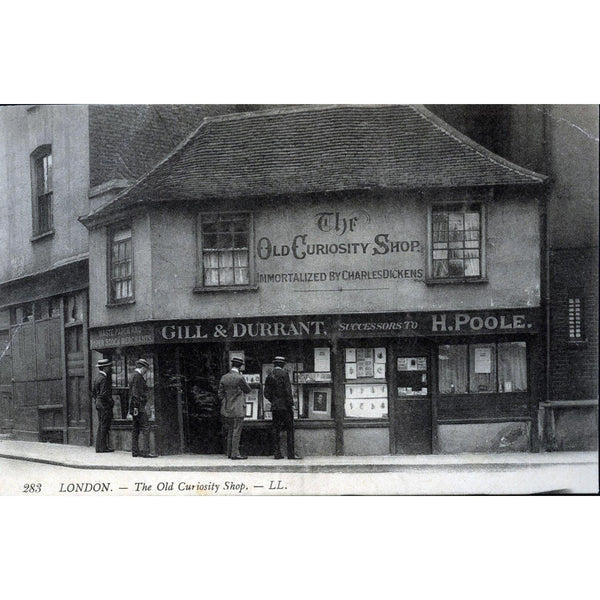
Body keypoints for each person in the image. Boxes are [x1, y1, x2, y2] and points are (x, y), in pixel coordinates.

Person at [263, 356, 301, 459]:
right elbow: (288, 391)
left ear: (274, 364)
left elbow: (266, 393)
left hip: (275, 407)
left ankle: (277, 453)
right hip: (285, 407)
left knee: (276, 429)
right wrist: (291, 404)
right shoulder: (285, 374)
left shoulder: (269, 375)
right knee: (290, 429)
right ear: (283, 364)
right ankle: (291, 454)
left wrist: (274, 401)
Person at [218, 356, 251, 460]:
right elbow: (248, 390)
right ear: (240, 366)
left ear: (232, 365)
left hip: (228, 408)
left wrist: (225, 402)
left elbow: (220, 394)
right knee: (237, 431)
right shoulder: (240, 378)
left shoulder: (224, 377)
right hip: (238, 408)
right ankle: (235, 454)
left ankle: (229, 452)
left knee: (230, 431)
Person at [129, 358, 156, 458]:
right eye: (146, 369)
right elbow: (135, 392)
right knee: (146, 427)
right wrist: (137, 407)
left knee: (135, 428)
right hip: (139, 407)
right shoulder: (137, 376)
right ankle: (146, 452)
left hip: (135, 406)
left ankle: (135, 452)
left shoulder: (133, 375)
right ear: (143, 368)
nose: (146, 372)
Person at [92, 358, 114, 453]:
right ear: (105, 368)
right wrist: (111, 402)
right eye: (108, 367)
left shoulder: (97, 378)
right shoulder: (104, 379)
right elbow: (104, 394)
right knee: (104, 425)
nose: (110, 368)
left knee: (101, 425)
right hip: (104, 405)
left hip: (98, 404)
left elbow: (93, 393)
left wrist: (97, 401)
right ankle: (103, 447)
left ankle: (99, 447)